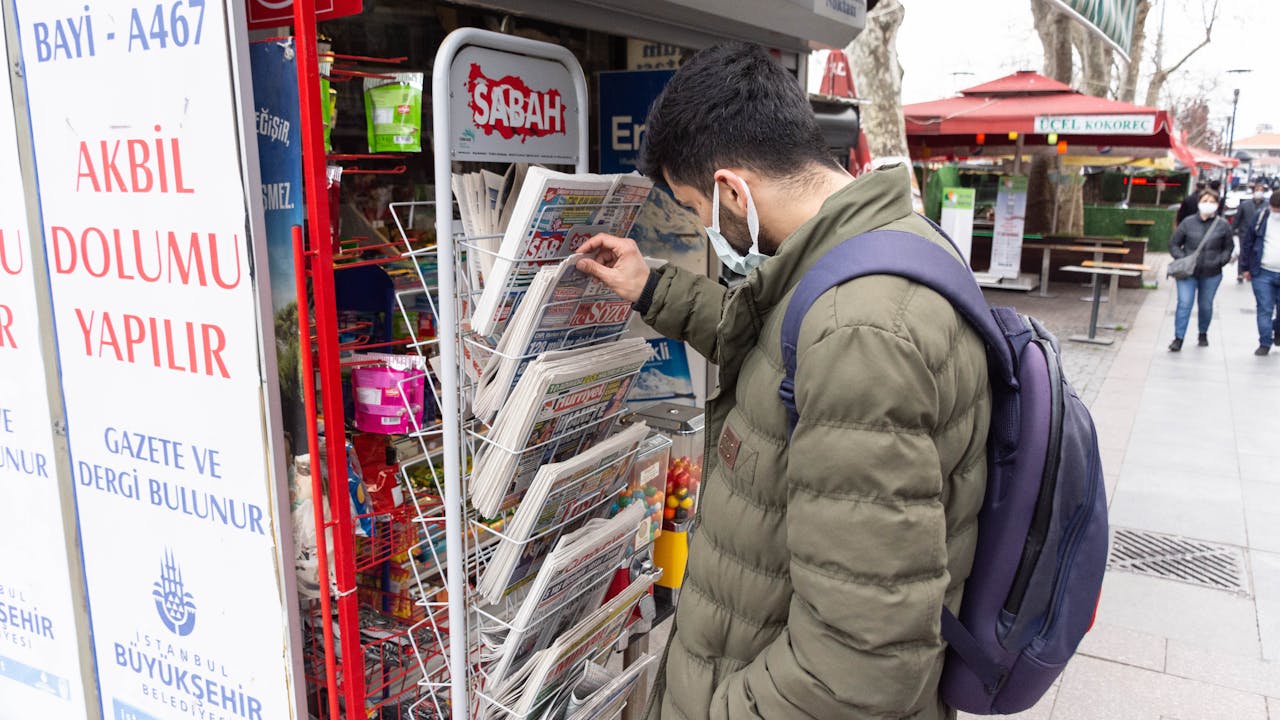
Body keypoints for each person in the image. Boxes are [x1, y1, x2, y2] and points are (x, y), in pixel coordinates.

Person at [575, 42, 991, 720]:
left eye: (697, 210)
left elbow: (862, 663)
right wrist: (652, 285)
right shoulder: (883, 245)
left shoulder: (860, 331)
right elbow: (776, 350)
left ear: (733, 190)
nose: (708, 230)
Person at [1167, 189, 1235, 351]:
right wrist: (1182, 258)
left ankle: (1203, 332)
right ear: (1199, 203)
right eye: (1205, 201)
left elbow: (1228, 247)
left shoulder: (1223, 225)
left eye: (1212, 202)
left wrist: (1220, 261)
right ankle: (1178, 338)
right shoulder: (1188, 223)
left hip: (1212, 273)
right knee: (1184, 303)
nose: (1208, 205)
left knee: (1205, 305)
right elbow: (1174, 243)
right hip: (1188, 272)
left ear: (1217, 205)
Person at [1239, 190, 1280, 356]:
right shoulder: (1261, 217)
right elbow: (1248, 242)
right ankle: (1264, 342)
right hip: (1262, 271)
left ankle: (1277, 329)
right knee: (1264, 308)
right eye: (1275, 209)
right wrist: (1245, 268)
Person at [1236, 182, 1271, 283]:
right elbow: (1238, 218)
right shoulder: (1244, 204)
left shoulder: (1267, 205)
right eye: (1257, 190)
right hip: (1244, 232)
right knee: (1244, 251)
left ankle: (1252, 271)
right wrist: (1233, 228)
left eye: (1261, 190)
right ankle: (1241, 272)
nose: (1259, 192)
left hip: (1260, 234)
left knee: (1255, 251)